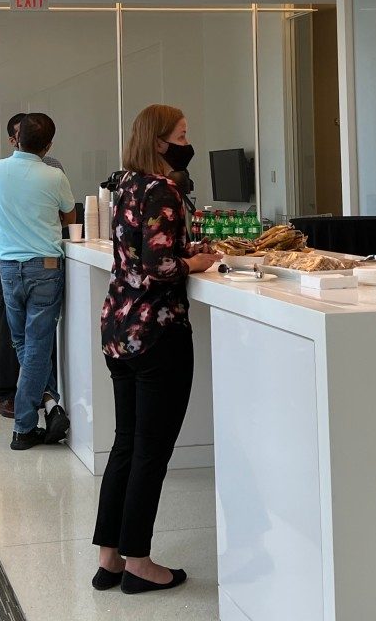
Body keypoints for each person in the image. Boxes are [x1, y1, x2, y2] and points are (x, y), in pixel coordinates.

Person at [92, 105, 220, 595]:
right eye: (182, 135)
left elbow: (139, 252)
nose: (188, 143)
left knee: (127, 443)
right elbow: (159, 266)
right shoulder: (163, 189)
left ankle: (110, 558)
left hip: (119, 326)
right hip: (157, 332)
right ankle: (140, 562)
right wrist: (199, 262)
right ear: (161, 142)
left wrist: (184, 253)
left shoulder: (125, 183)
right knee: (151, 451)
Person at [0, 113, 76, 450]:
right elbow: (69, 217)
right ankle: (24, 428)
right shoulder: (55, 176)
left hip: (9, 268)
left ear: (17, 137)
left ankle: (50, 405)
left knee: (23, 342)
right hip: (45, 267)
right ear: (48, 145)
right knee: (37, 345)